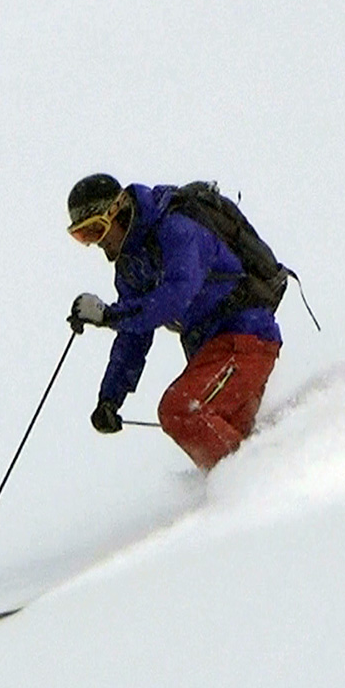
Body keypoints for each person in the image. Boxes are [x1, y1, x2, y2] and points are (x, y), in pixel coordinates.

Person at [64, 173, 282, 471]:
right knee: (232, 437)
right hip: (211, 354)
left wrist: (109, 316)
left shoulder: (177, 229)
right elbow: (134, 336)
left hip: (245, 339)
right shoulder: (131, 267)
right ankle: (262, 483)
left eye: (96, 230)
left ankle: (250, 480)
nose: (96, 243)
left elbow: (175, 296)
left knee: (180, 410)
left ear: (119, 210)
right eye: (83, 236)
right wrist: (110, 399)